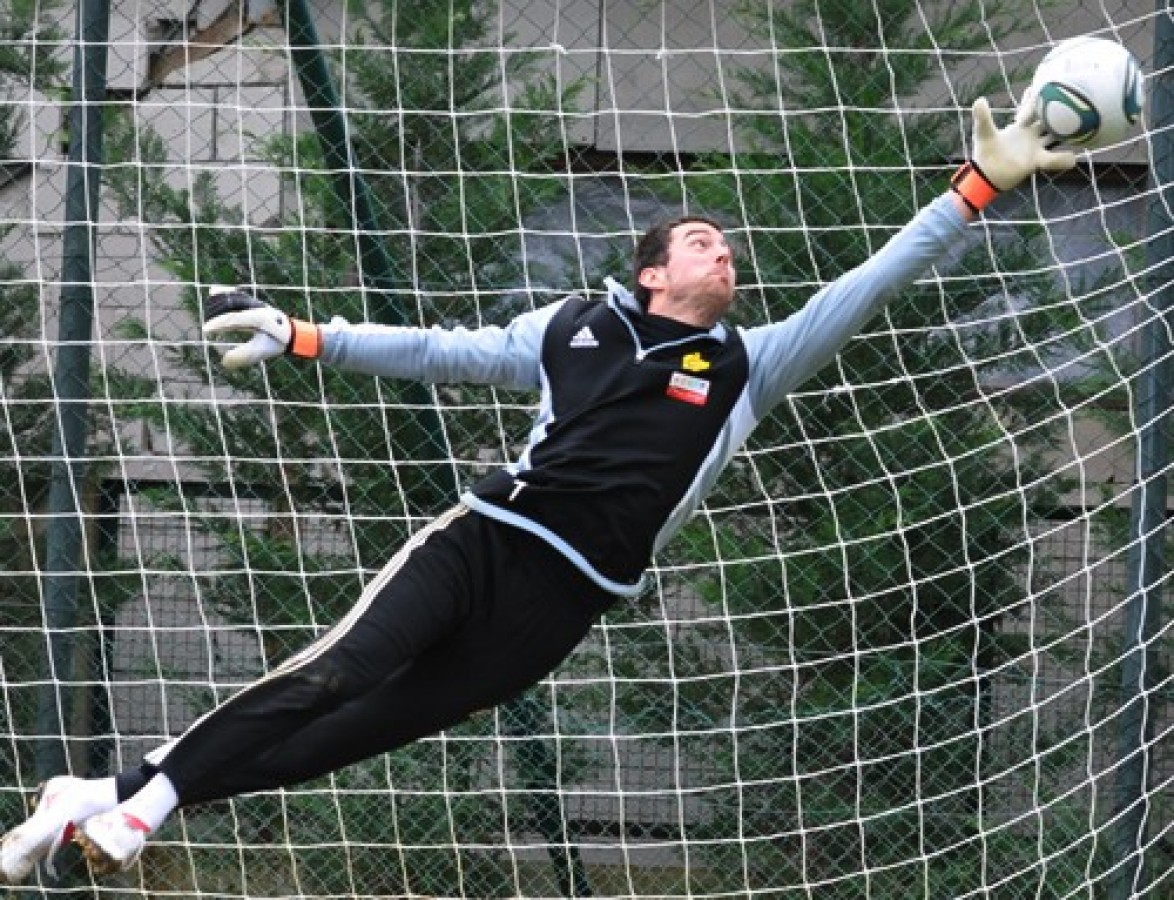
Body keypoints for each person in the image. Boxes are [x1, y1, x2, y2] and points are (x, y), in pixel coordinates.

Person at [1, 97, 1074, 881]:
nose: (724, 253)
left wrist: (975, 190)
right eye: (701, 242)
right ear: (652, 271)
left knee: (332, 741)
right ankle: (144, 810)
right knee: (333, 674)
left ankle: (97, 793)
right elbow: (440, 350)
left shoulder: (746, 367)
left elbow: (871, 280)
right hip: (483, 543)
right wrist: (307, 335)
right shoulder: (571, 328)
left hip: (558, 608)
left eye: (727, 247)